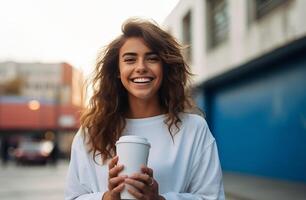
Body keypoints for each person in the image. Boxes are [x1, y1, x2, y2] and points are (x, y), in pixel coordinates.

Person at [65, 18, 225, 200]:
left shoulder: (193, 129)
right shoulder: (91, 132)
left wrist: (160, 199)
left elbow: (213, 197)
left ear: (164, 67)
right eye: (130, 59)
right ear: (117, 70)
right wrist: (108, 197)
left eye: (152, 58)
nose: (141, 67)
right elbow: (73, 197)